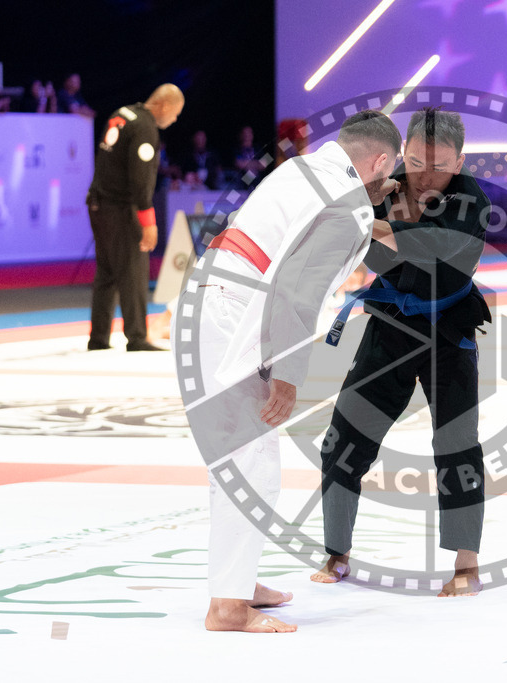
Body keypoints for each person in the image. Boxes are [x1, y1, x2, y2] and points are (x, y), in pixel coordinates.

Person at [177, 109, 401, 632]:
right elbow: (298, 289)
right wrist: (287, 373)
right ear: (382, 161)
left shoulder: (302, 170)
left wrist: (374, 214)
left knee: (234, 452)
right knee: (254, 457)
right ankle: (228, 606)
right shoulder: (347, 208)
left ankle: (235, 579)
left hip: (213, 296)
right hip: (240, 311)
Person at [310, 107, 492, 597]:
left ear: (460, 160)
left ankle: (466, 563)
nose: (426, 173)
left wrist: (365, 220)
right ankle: (336, 551)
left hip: (448, 332)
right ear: (401, 153)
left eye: (440, 164)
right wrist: (360, 209)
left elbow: (431, 247)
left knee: (457, 445)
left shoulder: (471, 199)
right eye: (415, 160)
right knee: (342, 439)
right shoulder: (379, 190)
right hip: (390, 326)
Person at [86, 84, 184, 352]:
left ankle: (98, 339)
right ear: (163, 106)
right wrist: (148, 222)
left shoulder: (123, 113)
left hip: (98, 202)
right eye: (175, 114)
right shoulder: (145, 128)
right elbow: (141, 181)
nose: (174, 120)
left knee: (106, 271)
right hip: (119, 207)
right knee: (133, 269)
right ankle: (137, 337)